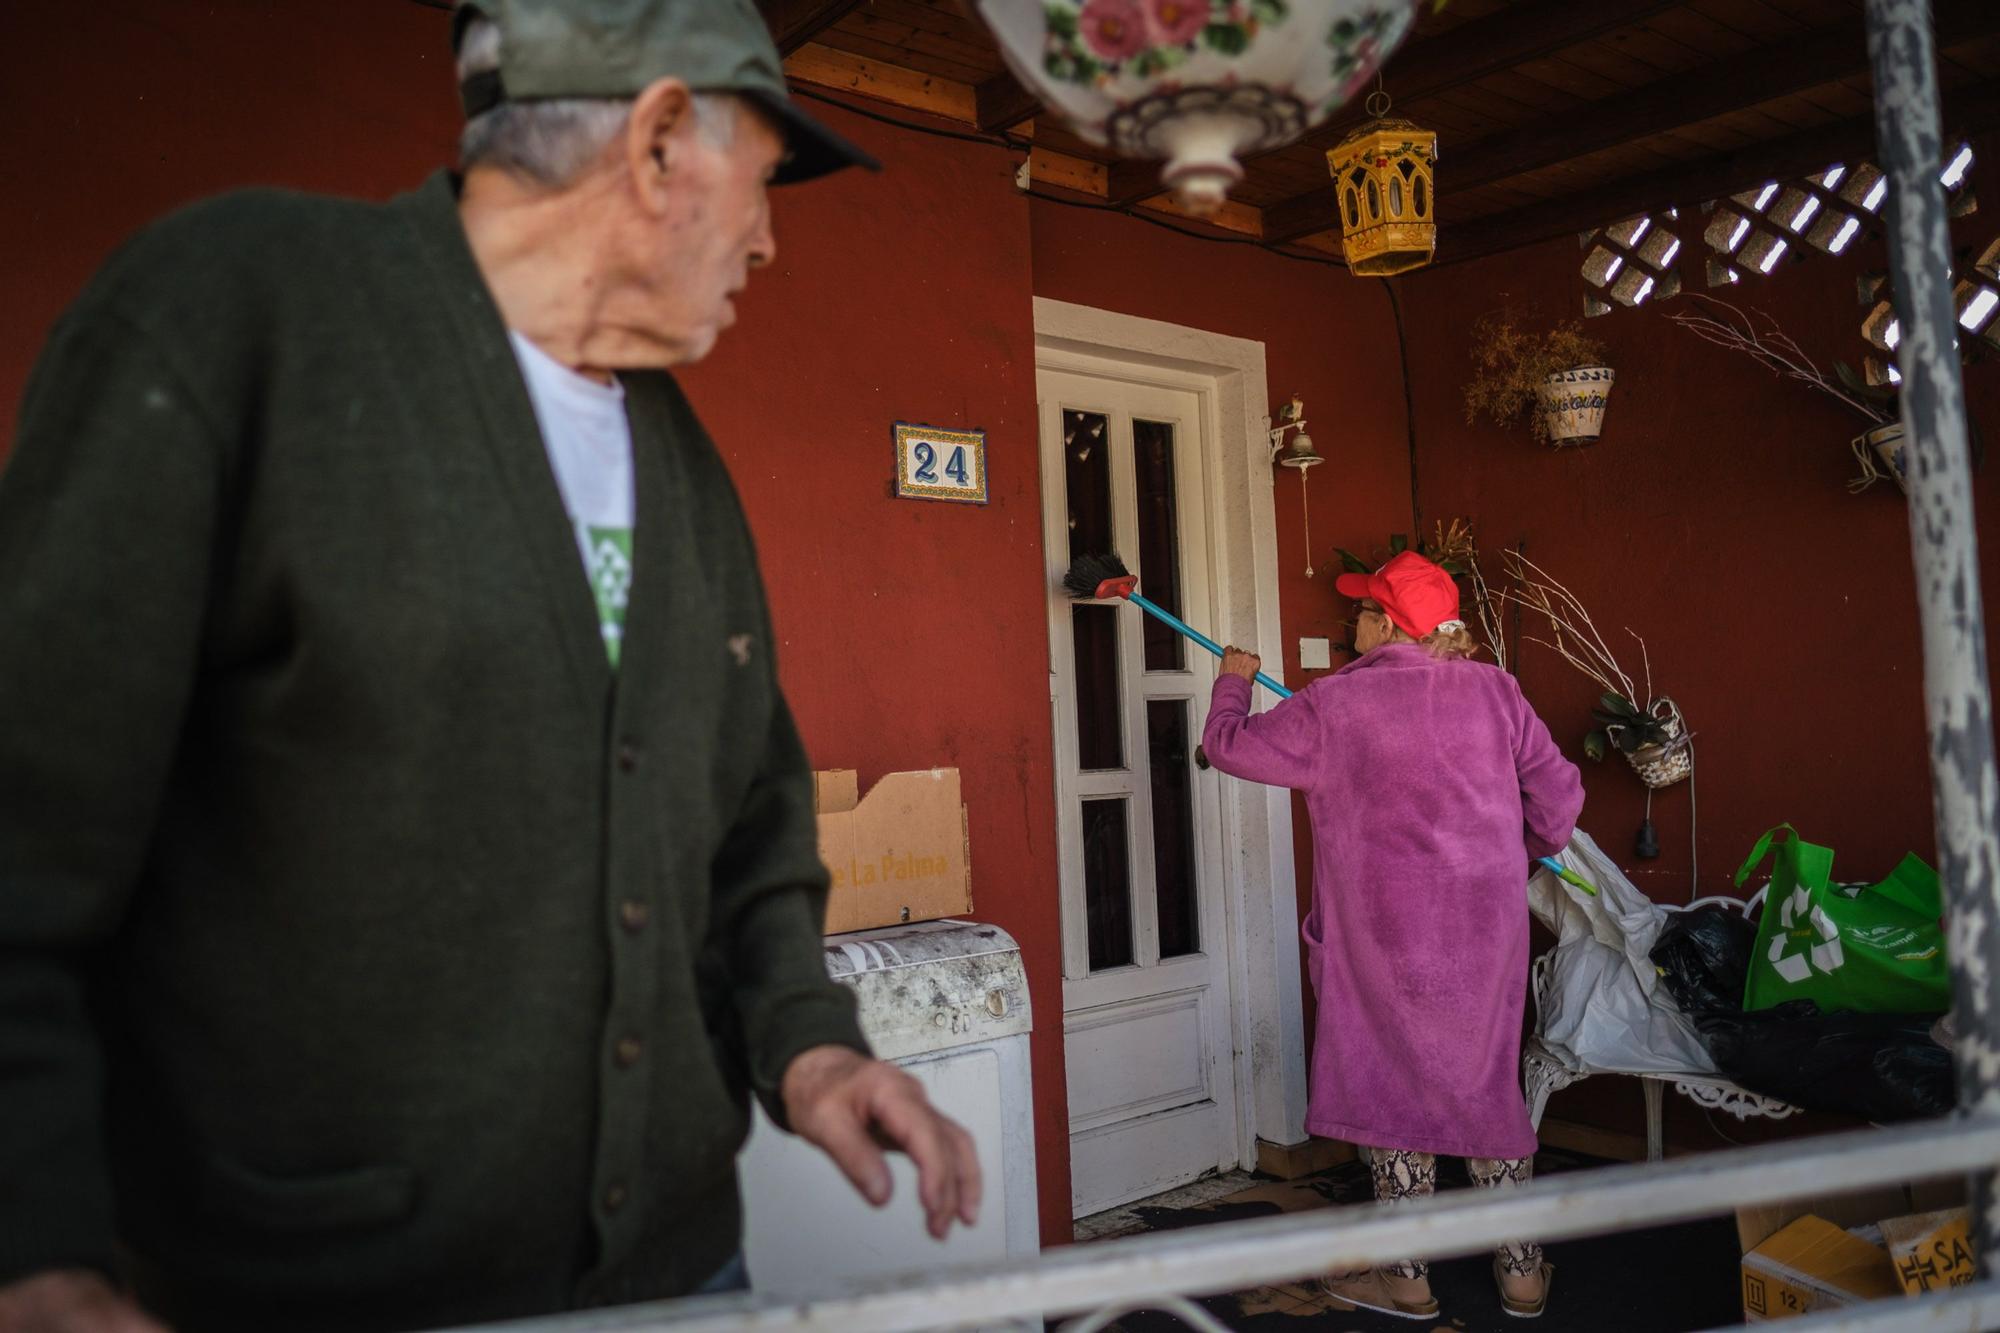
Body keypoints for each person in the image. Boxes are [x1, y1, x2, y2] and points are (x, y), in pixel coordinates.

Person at [0, 3, 981, 1330]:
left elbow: (752, 813)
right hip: (303, 1294)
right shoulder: (237, 314)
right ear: (658, 143)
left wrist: (806, 1044)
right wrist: (37, 1256)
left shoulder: (675, 453)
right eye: (763, 183)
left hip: (680, 1275)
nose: (765, 237)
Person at [1203, 549, 1584, 1321]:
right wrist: (1519, 852)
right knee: (1486, 1083)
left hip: (1384, 938)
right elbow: (1559, 798)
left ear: (1386, 624)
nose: (1354, 623)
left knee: (1390, 1080)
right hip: (1486, 930)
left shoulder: (1333, 706)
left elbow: (1228, 746)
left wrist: (1234, 678)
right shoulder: (1496, 691)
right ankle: (1520, 1273)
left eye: (1363, 611)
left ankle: (1406, 1277)